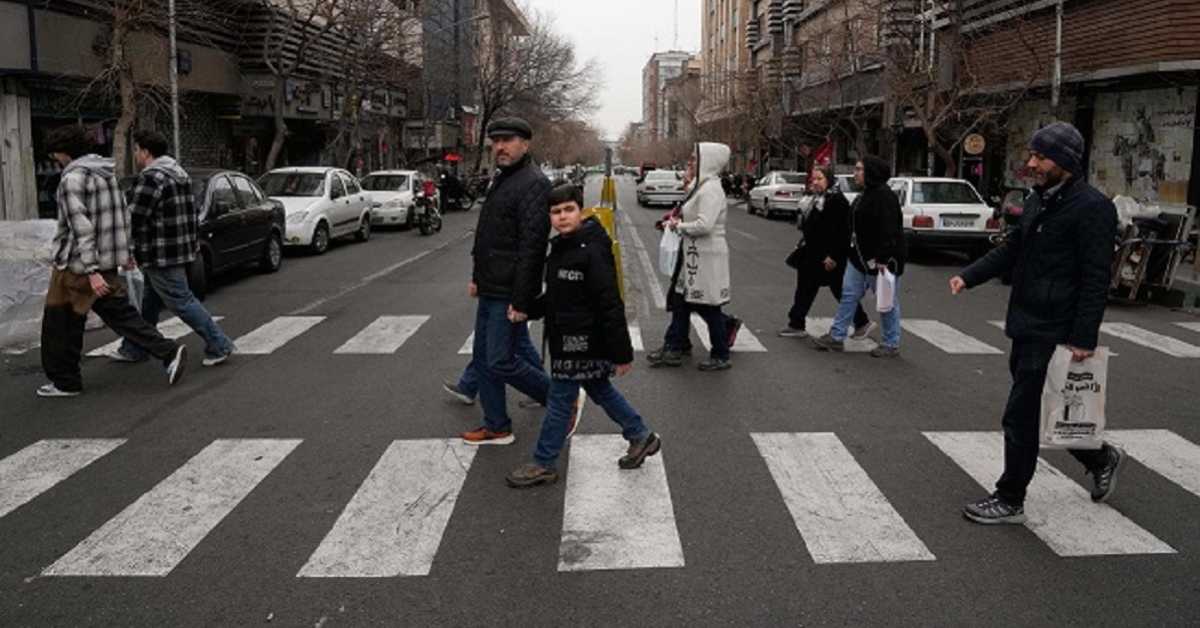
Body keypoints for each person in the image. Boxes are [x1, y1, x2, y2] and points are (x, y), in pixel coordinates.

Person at [949, 122, 1124, 524]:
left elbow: (1097, 278)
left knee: (1021, 413)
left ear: (1064, 161)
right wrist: (970, 275)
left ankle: (1010, 498)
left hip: (1056, 327)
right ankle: (1101, 457)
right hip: (1026, 322)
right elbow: (1013, 249)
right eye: (1032, 155)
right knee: (1050, 409)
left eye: (1040, 157)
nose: (1032, 164)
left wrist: (1084, 336)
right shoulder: (1038, 199)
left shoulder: (1093, 208)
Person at [506, 184, 660, 488]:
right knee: (599, 389)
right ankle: (640, 434)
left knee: (561, 399)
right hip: (568, 336)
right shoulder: (562, 246)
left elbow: (610, 301)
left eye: (568, 210)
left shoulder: (591, 248)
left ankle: (544, 462)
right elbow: (558, 296)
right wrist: (527, 309)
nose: (562, 217)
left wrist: (622, 352)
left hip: (583, 339)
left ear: (581, 210)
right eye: (556, 212)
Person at [37, 124, 188, 397]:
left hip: (77, 266)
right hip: (105, 261)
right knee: (120, 315)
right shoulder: (106, 174)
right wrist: (125, 253)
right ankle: (168, 351)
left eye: (55, 154)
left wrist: (91, 270)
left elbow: (80, 226)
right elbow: (122, 216)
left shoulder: (72, 179)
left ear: (63, 152)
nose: (55, 160)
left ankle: (65, 381)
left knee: (59, 323)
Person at [459, 117, 553, 445]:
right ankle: (496, 425)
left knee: (500, 360)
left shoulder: (534, 182)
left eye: (508, 140)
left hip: (509, 289)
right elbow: (487, 234)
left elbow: (533, 246)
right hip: (490, 284)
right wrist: (476, 277)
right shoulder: (503, 178)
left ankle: (559, 397)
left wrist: (522, 299)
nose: (500, 146)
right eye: (496, 140)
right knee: (484, 359)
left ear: (525, 144)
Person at [107, 129, 236, 367]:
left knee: (182, 301)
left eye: (136, 150)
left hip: (161, 253)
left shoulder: (152, 177)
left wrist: (122, 248)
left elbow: (134, 218)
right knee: (149, 304)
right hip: (179, 250)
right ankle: (135, 346)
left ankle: (219, 344)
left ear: (145, 152)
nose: (135, 155)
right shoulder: (179, 173)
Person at [648, 142, 736, 371]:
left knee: (709, 306)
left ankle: (720, 354)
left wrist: (679, 226)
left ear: (708, 161)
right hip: (693, 254)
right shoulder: (701, 186)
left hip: (705, 256)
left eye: (695, 159)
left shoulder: (711, 190)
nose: (691, 163)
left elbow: (705, 225)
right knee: (681, 301)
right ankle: (675, 346)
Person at [812, 156, 906, 357]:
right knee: (848, 295)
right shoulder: (864, 194)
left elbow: (890, 231)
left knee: (886, 301)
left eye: (859, 169)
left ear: (871, 172)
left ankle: (891, 343)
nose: (855, 173)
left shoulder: (884, 197)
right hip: (858, 259)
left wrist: (882, 258)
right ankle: (837, 336)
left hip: (881, 261)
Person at [779, 166, 874, 339]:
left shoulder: (836, 200)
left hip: (828, 257)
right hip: (813, 254)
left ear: (829, 180)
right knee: (806, 289)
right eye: (813, 179)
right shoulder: (818, 198)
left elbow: (842, 232)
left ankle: (861, 322)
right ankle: (796, 323)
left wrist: (834, 256)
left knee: (837, 289)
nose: (815, 182)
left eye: (819, 179)